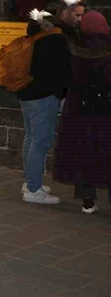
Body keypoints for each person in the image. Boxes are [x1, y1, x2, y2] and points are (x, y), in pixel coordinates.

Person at [54, 11, 111, 213]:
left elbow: (65, 79)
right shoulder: (107, 51)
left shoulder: (74, 49)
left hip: (80, 111)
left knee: (83, 156)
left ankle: (87, 200)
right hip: (106, 111)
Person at [17, 9, 71, 204]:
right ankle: (33, 190)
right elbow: (64, 71)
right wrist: (63, 95)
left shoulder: (32, 37)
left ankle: (30, 182)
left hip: (26, 94)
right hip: (44, 96)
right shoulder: (55, 40)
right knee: (39, 142)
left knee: (30, 138)